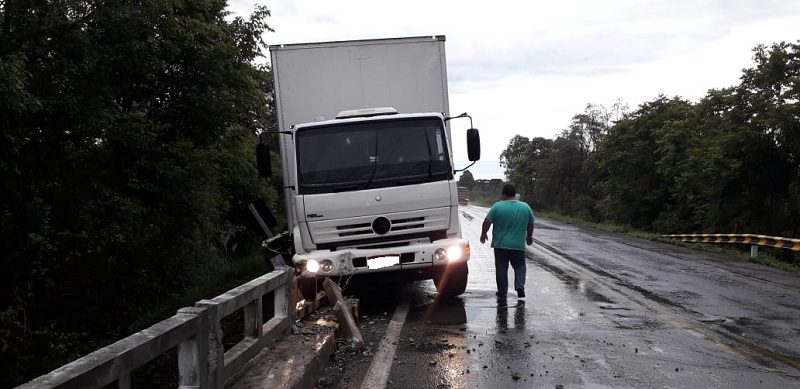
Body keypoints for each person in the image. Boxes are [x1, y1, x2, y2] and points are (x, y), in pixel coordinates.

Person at [479, 184, 535, 300]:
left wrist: (484, 234)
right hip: (518, 246)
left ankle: (502, 292)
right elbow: (531, 224)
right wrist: (529, 237)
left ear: (503, 194)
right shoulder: (525, 207)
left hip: (500, 245)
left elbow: (487, 221)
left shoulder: (497, 206)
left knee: (501, 269)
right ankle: (520, 287)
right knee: (520, 266)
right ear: (514, 195)